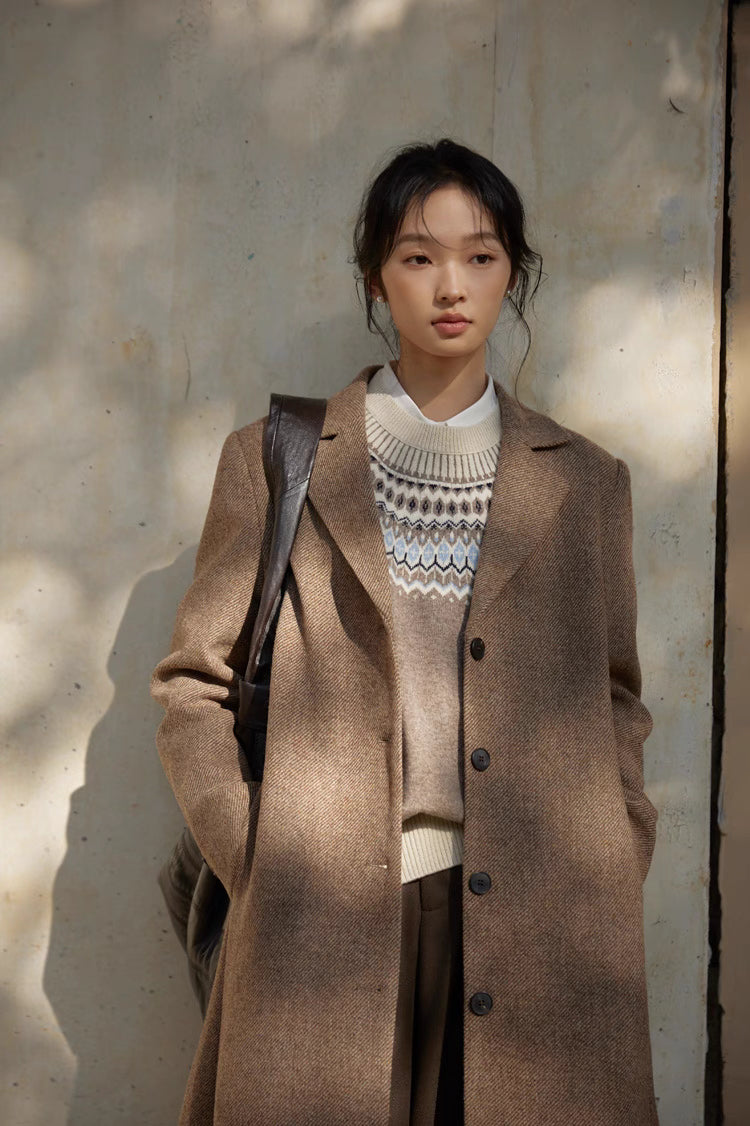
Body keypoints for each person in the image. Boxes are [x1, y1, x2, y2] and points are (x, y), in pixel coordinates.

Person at [151, 137, 659, 1126]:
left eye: (481, 255)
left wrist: (616, 845)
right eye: (419, 256)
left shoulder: (586, 480)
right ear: (376, 275)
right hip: (324, 915)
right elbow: (193, 685)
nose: (450, 284)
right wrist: (256, 848)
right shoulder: (275, 456)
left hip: (543, 917)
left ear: (514, 270)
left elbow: (614, 693)